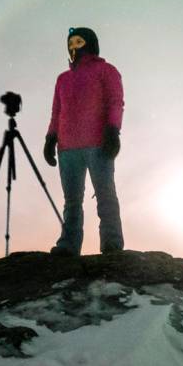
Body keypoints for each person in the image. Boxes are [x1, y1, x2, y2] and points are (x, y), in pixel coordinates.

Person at [43, 26, 125, 256]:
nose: (73, 47)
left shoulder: (106, 70)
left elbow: (115, 102)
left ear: (89, 43)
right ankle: (68, 245)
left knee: (105, 193)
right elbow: (56, 112)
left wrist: (112, 130)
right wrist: (50, 138)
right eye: (71, 43)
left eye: (78, 42)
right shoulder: (63, 79)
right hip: (67, 148)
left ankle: (112, 243)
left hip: (98, 143)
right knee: (71, 201)